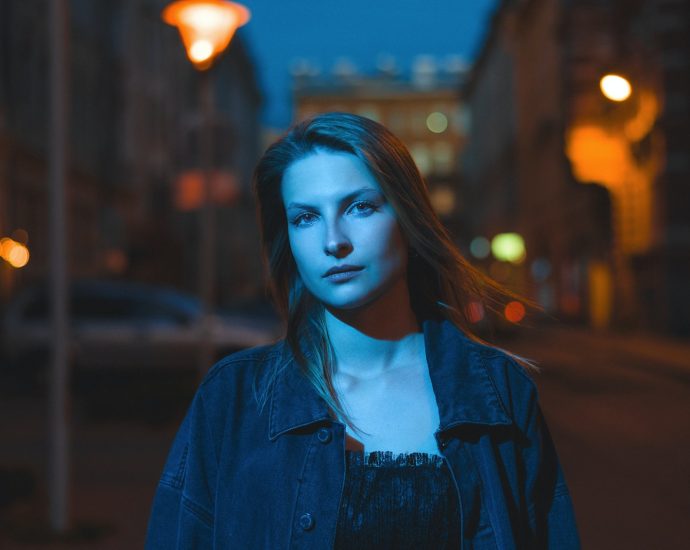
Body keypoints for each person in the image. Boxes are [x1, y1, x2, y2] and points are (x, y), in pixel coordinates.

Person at [145, 112, 580, 549]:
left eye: (360, 207)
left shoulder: (499, 392)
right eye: (306, 217)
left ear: (409, 219)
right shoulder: (234, 398)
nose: (334, 241)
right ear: (289, 241)